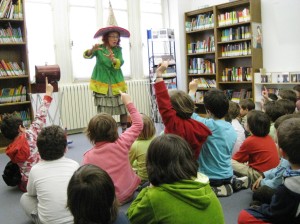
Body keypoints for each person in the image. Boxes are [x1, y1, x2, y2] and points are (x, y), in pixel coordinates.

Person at [127, 134, 225, 224]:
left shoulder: (155, 197)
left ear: (153, 164)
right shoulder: (206, 188)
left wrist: (148, 188)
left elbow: (129, 219)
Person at [83, 91, 143, 205]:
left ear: (90, 134)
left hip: (108, 200)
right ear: (115, 130)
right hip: (129, 193)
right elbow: (138, 124)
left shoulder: (88, 157)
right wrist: (129, 103)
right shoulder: (122, 143)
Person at [238, 118, 300, 224]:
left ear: (282, 153)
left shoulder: (290, 187)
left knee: (244, 215)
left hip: (285, 211)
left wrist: (261, 209)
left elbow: (276, 214)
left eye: (276, 143)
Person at [189, 81, 244, 197]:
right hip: (227, 174)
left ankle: (214, 189)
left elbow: (188, 112)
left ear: (208, 111)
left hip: (208, 177)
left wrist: (192, 91)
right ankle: (230, 183)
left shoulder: (207, 125)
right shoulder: (232, 129)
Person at [83, 2, 130, 132]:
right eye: (112, 36)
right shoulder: (99, 48)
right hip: (102, 85)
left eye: (117, 36)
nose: (115, 39)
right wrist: (91, 51)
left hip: (116, 83)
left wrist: (114, 59)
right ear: (106, 37)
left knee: (122, 107)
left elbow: (121, 61)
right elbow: (86, 56)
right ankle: (107, 132)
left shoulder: (118, 50)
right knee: (104, 111)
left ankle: (125, 131)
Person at [0, 77, 53, 192]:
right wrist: (48, 93)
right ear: (20, 128)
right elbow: (41, 114)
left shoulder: (10, 149)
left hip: (27, 185)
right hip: (42, 179)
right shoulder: (31, 134)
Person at [20, 125, 79, 224]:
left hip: (47, 222)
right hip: (76, 220)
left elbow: (31, 193)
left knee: (25, 198)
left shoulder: (35, 170)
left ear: (39, 151)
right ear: (65, 148)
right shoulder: (74, 165)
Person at [153, 61, 211, 159]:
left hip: (174, 167)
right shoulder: (198, 126)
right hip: (191, 167)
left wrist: (159, 74)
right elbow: (183, 103)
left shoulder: (174, 125)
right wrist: (192, 92)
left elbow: (163, 102)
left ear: (172, 110)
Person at [250, 114, 300, 206]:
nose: (275, 144)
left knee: (260, 193)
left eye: (277, 143)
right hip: (279, 187)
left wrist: (262, 182)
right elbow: (277, 169)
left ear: (283, 152)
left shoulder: (288, 164)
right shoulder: (290, 158)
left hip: (280, 194)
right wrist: (264, 175)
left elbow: (276, 183)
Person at [232, 110, 280, 184]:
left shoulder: (250, 140)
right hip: (271, 173)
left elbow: (237, 159)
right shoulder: (268, 137)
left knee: (229, 162)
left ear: (251, 126)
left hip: (259, 174)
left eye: (246, 121)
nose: (245, 123)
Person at [129, 113, 156, 184]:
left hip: (143, 180)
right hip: (157, 177)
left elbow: (127, 164)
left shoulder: (135, 145)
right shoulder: (157, 139)